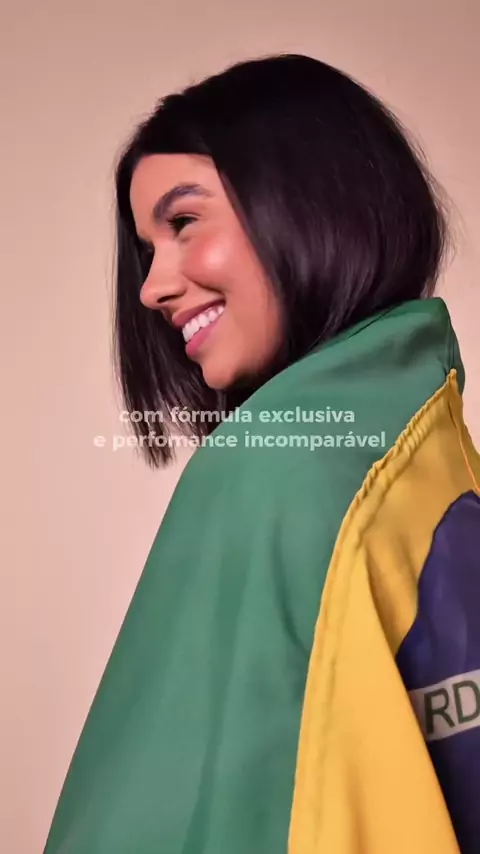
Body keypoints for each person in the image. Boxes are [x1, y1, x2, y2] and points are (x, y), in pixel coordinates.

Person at [44, 53, 480, 854]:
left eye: (183, 223)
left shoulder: (273, 469)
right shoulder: (428, 454)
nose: (151, 288)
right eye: (147, 249)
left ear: (310, 198)